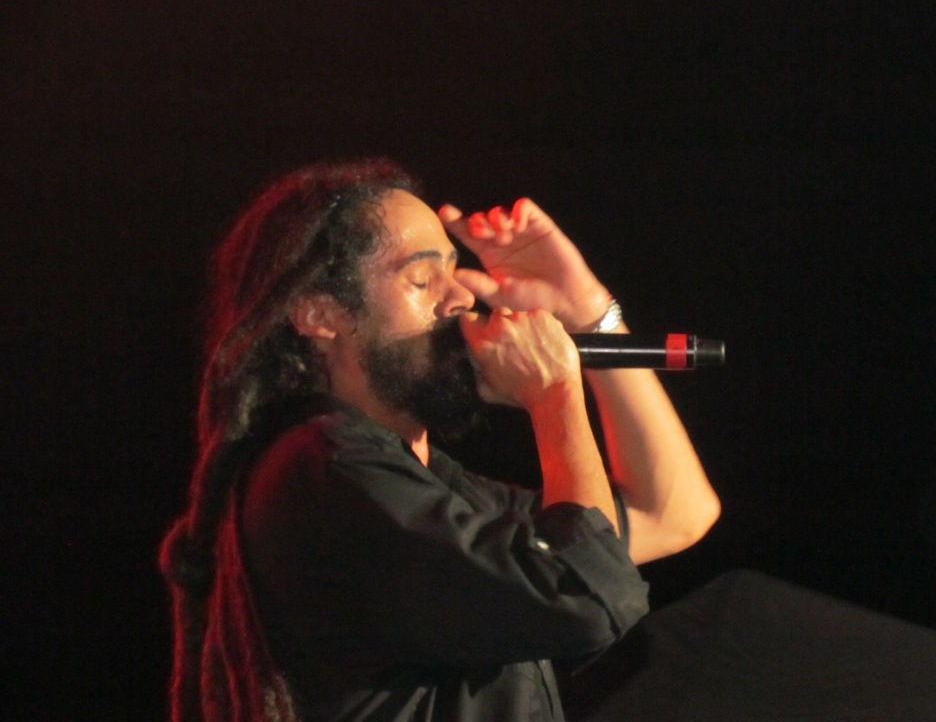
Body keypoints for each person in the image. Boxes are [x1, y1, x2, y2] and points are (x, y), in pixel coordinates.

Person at [159, 158, 720, 722]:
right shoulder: (326, 474)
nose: (461, 299)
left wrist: (589, 314)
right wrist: (554, 394)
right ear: (321, 314)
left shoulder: (422, 484)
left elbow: (672, 512)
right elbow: (586, 596)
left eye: (455, 272)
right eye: (423, 279)